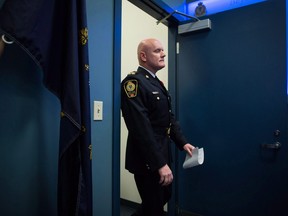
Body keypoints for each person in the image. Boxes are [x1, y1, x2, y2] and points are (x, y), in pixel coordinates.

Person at [121, 38, 195, 216]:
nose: (164, 54)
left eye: (163, 50)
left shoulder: (155, 83)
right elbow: (141, 128)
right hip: (147, 159)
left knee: (161, 198)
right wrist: (159, 164)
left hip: (162, 151)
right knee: (154, 206)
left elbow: (168, 118)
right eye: (157, 50)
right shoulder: (133, 83)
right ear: (143, 56)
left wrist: (182, 142)